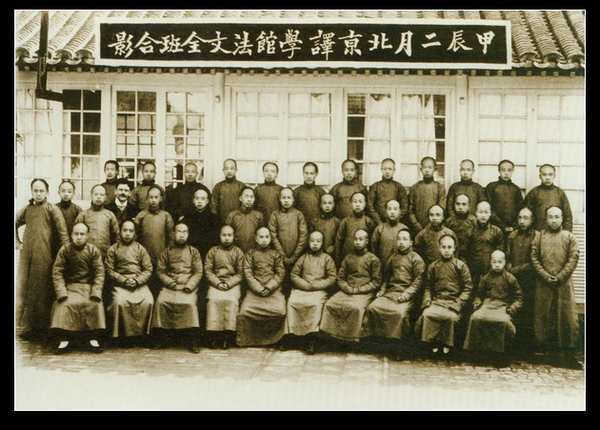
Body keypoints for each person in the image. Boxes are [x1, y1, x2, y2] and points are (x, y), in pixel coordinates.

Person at [16, 178, 70, 342]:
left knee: (41, 290)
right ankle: (30, 327)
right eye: (35, 191)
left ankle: (43, 328)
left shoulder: (52, 209)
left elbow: (63, 233)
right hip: (27, 256)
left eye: (41, 191)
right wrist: (17, 242)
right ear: (32, 192)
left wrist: (65, 255)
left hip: (44, 255)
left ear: (47, 192)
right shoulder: (27, 209)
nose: (38, 194)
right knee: (27, 289)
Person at [531, 206, 581, 369]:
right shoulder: (540, 237)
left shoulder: (569, 237)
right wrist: (545, 275)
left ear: (562, 219)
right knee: (545, 316)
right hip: (543, 284)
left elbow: (573, 258)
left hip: (563, 285)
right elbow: (534, 257)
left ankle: (568, 354)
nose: (553, 220)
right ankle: (548, 353)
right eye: (550, 217)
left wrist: (559, 277)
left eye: (557, 217)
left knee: (566, 317)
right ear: (546, 219)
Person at [365, 228, 426, 360]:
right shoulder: (393, 257)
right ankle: (380, 342)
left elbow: (418, 282)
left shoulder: (416, 259)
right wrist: (382, 289)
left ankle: (400, 346)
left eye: (405, 239)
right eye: (399, 239)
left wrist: (407, 295)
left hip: (407, 295)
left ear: (411, 242)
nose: (401, 242)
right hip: (391, 293)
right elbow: (386, 276)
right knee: (373, 307)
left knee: (399, 313)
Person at [49, 222, 106, 354]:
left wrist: (95, 292)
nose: (79, 237)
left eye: (82, 234)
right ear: (72, 235)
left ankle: (93, 338)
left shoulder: (93, 250)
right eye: (76, 234)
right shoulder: (64, 250)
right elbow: (57, 272)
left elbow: (99, 272)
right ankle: (64, 339)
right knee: (63, 306)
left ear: (87, 236)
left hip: (88, 288)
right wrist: (62, 292)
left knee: (95, 305)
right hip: (69, 288)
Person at [320, 229, 382, 347]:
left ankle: (352, 340)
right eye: (356, 239)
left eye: (361, 239)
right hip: (347, 290)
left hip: (364, 292)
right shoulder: (348, 257)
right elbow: (340, 277)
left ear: (367, 241)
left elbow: (376, 281)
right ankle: (333, 339)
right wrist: (347, 288)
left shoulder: (373, 259)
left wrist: (359, 290)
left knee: (356, 308)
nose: (358, 242)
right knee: (330, 304)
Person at [415, 235, 473, 357]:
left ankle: (447, 344)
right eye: (444, 247)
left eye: (449, 247)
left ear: (454, 248)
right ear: (439, 248)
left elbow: (468, 288)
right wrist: (427, 302)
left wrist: (458, 304)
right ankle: (432, 343)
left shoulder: (461, 266)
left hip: (453, 301)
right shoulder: (433, 266)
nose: (446, 250)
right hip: (437, 301)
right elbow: (428, 287)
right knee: (427, 314)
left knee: (450, 317)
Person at [463, 250, 523, 367]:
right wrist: (477, 302)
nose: (497, 265)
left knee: (503, 321)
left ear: (504, 262)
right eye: (494, 262)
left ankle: (500, 356)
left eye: (500, 262)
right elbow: (479, 294)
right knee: (475, 318)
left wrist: (512, 308)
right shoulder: (485, 278)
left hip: (503, 306)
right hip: (487, 304)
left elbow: (519, 298)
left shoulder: (510, 278)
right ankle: (478, 354)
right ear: (490, 262)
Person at [151, 222, 204, 353]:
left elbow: (198, 272)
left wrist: (190, 285)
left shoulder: (193, 252)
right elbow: (160, 271)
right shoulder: (167, 252)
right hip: (170, 286)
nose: (181, 235)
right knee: (161, 302)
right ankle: (161, 337)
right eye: (179, 232)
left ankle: (192, 340)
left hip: (187, 286)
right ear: (173, 234)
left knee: (190, 305)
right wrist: (169, 282)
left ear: (188, 234)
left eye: (184, 232)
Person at [105, 220, 154, 348]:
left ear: (135, 233)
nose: (127, 234)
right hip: (120, 284)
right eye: (125, 230)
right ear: (120, 232)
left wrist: (137, 280)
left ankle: (142, 336)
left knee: (148, 301)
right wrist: (123, 280)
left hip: (138, 283)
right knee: (119, 302)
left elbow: (148, 269)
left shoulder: (140, 249)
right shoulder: (113, 249)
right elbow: (109, 269)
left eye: (131, 231)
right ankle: (121, 337)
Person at [286, 230, 337, 354]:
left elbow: (332, 277)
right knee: (293, 302)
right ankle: (293, 337)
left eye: (318, 241)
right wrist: (304, 284)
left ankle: (311, 338)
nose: (315, 244)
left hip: (318, 290)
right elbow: (294, 274)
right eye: (312, 241)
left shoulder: (327, 259)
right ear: (308, 242)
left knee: (315, 304)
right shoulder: (303, 258)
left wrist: (316, 285)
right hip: (303, 288)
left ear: (322, 243)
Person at [236, 227, 287, 347]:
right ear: (256, 238)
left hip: (273, 291)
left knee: (280, 312)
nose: (264, 240)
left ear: (270, 238)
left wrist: (269, 287)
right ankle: (250, 340)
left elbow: (280, 273)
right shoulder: (250, 254)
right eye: (261, 237)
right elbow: (248, 273)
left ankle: (275, 340)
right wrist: (258, 288)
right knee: (244, 312)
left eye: (267, 237)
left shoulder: (275, 254)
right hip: (255, 291)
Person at [204, 225, 245, 349]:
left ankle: (227, 335)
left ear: (233, 237)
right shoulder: (213, 251)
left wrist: (228, 283)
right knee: (213, 300)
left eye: (229, 235)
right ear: (220, 236)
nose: (226, 238)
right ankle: (214, 335)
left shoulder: (238, 252)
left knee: (231, 301)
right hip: (216, 283)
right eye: (224, 235)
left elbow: (240, 273)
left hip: (232, 284)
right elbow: (208, 270)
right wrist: (217, 283)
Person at [505, 207, 540, 355]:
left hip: (529, 281)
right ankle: (512, 347)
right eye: (520, 217)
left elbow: (535, 261)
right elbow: (507, 256)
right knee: (514, 311)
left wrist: (517, 269)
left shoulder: (537, 236)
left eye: (526, 218)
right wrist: (509, 269)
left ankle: (526, 349)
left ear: (532, 220)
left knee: (528, 313)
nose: (522, 221)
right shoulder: (512, 236)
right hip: (514, 281)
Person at [268, 187, 309, 296]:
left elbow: (303, 235)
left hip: (296, 255)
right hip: (279, 255)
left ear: (293, 199)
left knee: (295, 279)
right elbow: (273, 235)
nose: (286, 200)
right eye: (284, 198)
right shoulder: (274, 215)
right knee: (281, 278)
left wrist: (295, 255)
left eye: (289, 198)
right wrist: (282, 255)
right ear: (280, 199)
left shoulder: (298, 215)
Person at [133, 186, 175, 272]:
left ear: (160, 198)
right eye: (151, 197)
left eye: (156, 197)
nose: (153, 200)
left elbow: (171, 237)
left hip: (162, 256)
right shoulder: (141, 215)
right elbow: (135, 236)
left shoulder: (166, 216)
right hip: (144, 256)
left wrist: (168, 255)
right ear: (148, 198)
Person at [466, 201, 505, 291]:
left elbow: (500, 252)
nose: (483, 215)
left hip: (491, 271)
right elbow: (464, 252)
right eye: (480, 212)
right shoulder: (470, 231)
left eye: (486, 212)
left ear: (490, 213)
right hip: (473, 272)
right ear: (476, 213)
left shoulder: (497, 231)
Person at [523, 164, 573, 232]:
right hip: (537, 232)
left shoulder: (560, 193)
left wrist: (567, 234)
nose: (547, 178)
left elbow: (567, 216)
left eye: (550, 174)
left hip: (556, 233)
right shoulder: (534, 192)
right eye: (544, 175)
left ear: (554, 176)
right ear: (540, 176)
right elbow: (525, 214)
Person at [74, 184, 120, 259]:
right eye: (96, 194)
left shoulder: (110, 215)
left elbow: (116, 236)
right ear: (91, 196)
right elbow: (76, 235)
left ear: (105, 197)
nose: (99, 197)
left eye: (101, 195)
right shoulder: (83, 215)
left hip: (105, 255)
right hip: (86, 255)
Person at [334, 191, 377, 267]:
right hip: (347, 258)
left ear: (365, 204)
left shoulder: (369, 222)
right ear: (351, 203)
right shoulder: (345, 221)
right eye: (355, 201)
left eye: (360, 202)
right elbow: (339, 242)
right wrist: (338, 261)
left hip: (364, 260)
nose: (357, 204)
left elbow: (373, 243)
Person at [484, 159, 524, 239]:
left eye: (509, 170)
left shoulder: (515, 189)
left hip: (512, 229)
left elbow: (520, 208)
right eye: (503, 170)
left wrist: (514, 226)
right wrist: (501, 225)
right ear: (499, 171)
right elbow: (488, 208)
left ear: (512, 171)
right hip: (495, 226)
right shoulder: (491, 187)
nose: (506, 173)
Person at [179, 188, 221, 259]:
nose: (199, 201)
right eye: (197, 198)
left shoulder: (214, 219)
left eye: (203, 199)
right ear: (193, 200)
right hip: (191, 254)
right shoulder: (187, 218)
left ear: (207, 201)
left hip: (208, 254)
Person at [408, 156, 447, 233]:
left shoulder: (439, 188)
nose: (427, 170)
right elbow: (410, 209)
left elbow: (441, 208)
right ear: (421, 169)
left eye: (430, 167)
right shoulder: (415, 188)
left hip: (434, 226)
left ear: (435, 169)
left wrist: (431, 225)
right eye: (425, 167)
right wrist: (416, 224)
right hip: (417, 228)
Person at [368, 158, 409, 225]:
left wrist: (395, 220)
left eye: (390, 169)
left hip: (395, 223)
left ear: (394, 170)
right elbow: (370, 206)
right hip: (378, 223)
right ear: (381, 169)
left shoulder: (399, 187)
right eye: (385, 169)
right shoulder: (375, 187)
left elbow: (404, 207)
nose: (387, 172)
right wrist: (379, 223)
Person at [225, 186, 265, 253]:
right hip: (235, 252)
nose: (249, 199)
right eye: (246, 196)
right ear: (240, 198)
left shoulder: (258, 216)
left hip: (253, 253)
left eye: (251, 197)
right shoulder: (232, 216)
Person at [371, 199, 410, 267]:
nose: (392, 212)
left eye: (395, 209)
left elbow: (409, 251)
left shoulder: (404, 229)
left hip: (400, 267)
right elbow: (373, 249)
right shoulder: (379, 229)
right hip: (382, 266)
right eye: (389, 209)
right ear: (385, 211)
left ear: (399, 211)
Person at [210, 158, 246, 225]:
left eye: (232, 168)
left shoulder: (241, 186)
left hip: (239, 221)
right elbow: (214, 206)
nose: (229, 171)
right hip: (221, 221)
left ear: (236, 169)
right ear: (223, 170)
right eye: (226, 169)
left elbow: (245, 205)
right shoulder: (218, 186)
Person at [444, 194, 477, 263]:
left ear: (469, 206)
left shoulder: (474, 221)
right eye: (458, 204)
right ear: (454, 205)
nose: (460, 207)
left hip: (470, 256)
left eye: (464, 204)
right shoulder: (449, 221)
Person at [293, 162, 326, 230]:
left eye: (311, 173)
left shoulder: (321, 192)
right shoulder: (297, 191)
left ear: (316, 174)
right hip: (300, 227)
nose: (309, 176)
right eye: (306, 173)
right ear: (303, 173)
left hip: (317, 227)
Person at [312, 193, 340, 258]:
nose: (327, 206)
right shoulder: (314, 221)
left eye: (330, 203)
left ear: (333, 205)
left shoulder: (337, 222)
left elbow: (339, 239)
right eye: (324, 203)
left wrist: (333, 247)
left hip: (332, 254)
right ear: (321, 205)